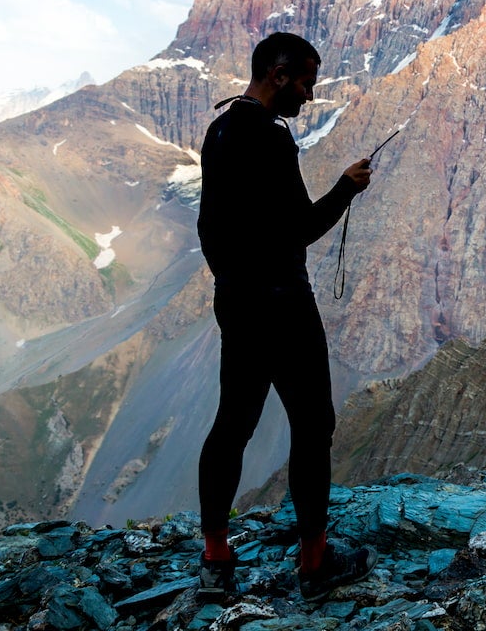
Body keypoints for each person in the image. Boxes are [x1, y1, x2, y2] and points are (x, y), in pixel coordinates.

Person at [195, 31, 377, 602]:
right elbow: (301, 227)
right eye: (304, 82)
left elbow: (209, 228)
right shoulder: (271, 139)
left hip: (238, 303)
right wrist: (346, 189)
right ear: (278, 75)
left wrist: (232, 282)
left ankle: (216, 556)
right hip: (283, 305)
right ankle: (315, 562)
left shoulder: (220, 129)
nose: (307, 94)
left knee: (232, 425)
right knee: (313, 425)